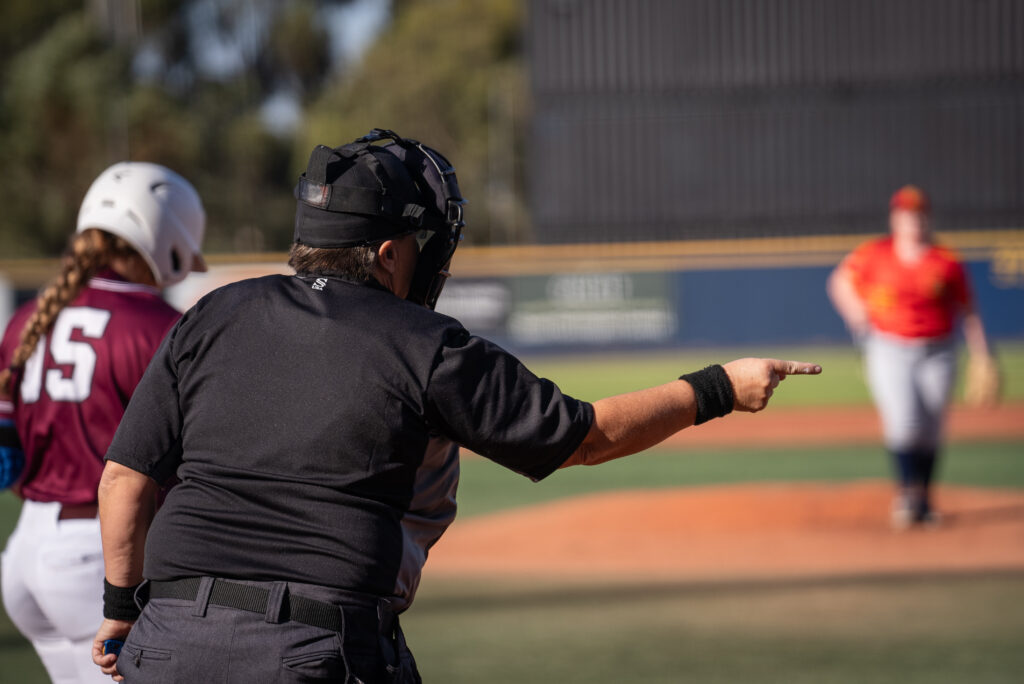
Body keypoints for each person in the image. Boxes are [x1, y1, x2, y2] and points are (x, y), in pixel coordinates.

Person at [91, 129, 820, 683]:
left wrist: (122, 611)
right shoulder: (423, 343)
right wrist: (719, 388)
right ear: (387, 254)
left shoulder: (213, 314)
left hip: (167, 639)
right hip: (311, 647)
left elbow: (124, 479)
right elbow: (585, 437)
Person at [0, 161, 206, 683]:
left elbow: (7, 459)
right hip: (102, 559)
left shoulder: (28, 318)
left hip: (26, 548)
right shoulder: (162, 327)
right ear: (167, 238)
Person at [827, 185, 994, 529]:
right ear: (895, 218)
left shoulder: (945, 260)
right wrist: (855, 310)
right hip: (889, 347)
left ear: (927, 218)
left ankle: (925, 499)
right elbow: (839, 281)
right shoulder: (874, 253)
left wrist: (982, 354)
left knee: (931, 428)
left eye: (918, 215)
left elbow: (968, 308)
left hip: (939, 350)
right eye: (905, 215)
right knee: (903, 423)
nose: (912, 221)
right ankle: (907, 495)